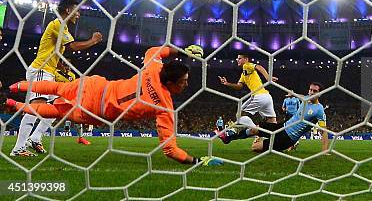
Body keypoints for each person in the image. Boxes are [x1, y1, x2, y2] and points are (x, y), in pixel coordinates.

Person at [4, 45, 222, 166]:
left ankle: (15, 87)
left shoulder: (153, 69)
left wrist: (183, 52)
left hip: (95, 87)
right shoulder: (165, 106)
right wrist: (197, 161)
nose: (186, 85)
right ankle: (12, 103)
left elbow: (157, 50)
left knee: (55, 89)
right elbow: (170, 150)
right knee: (53, 110)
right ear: (172, 83)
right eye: (183, 81)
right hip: (95, 112)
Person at [11, 0, 102, 157]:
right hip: (41, 70)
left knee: (57, 108)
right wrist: (93, 41)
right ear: (68, 10)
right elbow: (71, 47)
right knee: (35, 109)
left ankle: (35, 138)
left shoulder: (62, 26)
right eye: (77, 11)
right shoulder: (57, 24)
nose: (78, 15)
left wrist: (60, 66)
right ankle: (18, 148)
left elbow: (55, 52)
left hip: (48, 71)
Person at [219, 82, 329, 154]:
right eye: (310, 90)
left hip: (288, 138)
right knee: (254, 129)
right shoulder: (305, 99)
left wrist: (324, 151)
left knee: (255, 148)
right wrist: (293, 94)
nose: (311, 92)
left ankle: (277, 146)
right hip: (282, 127)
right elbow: (300, 96)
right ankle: (229, 138)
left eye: (315, 91)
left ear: (320, 93)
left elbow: (324, 131)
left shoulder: (319, 110)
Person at [218, 54, 278, 131]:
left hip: (258, 96)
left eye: (239, 58)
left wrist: (268, 77)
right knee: (272, 121)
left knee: (239, 115)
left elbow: (259, 67)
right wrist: (227, 83)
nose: (237, 60)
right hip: (267, 97)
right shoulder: (243, 74)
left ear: (246, 59)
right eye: (237, 58)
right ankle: (281, 137)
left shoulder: (246, 65)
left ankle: (258, 132)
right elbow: (239, 86)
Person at [55, 58, 91, 145]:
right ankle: (35, 136)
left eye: (69, 66)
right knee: (48, 116)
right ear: (62, 65)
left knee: (77, 115)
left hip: (68, 98)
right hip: (56, 97)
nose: (68, 68)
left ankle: (80, 137)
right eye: (66, 65)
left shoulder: (72, 75)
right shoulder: (55, 73)